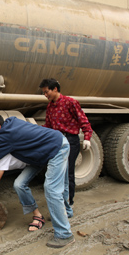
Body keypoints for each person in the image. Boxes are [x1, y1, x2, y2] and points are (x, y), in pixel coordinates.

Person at [0, 112, 74, 248]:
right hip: (44, 152)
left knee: (52, 189)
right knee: (55, 182)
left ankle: (64, 235)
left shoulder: (5, 136)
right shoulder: (12, 123)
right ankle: (67, 212)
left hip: (56, 148)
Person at [0, 135, 45, 231]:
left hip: (33, 163)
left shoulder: (2, 154)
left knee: (19, 185)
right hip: (20, 162)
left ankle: (38, 216)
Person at [39, 78, 93, 206]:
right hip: (56, 141)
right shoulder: (50, 106)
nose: (45, 95)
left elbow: (83, 120)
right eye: (44, 93)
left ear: (55, 89)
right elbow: (48, 125)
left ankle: (69, 203)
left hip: (70, 140)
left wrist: (87, 137)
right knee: (57, 173)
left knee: (68, 173)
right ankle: (59, 201)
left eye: (47, 92)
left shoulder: (70, 102)